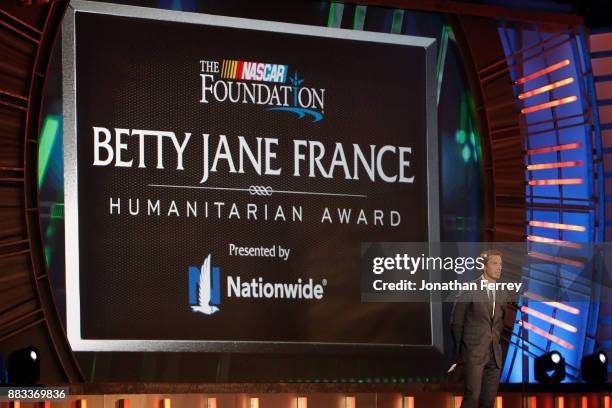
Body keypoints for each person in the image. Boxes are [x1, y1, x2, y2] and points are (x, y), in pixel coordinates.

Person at [450, 250, 508, 408]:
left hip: (494, 355)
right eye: (495, 263)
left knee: (488, 401)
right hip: (474, 352)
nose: (499, 268)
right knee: (472, 396)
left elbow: (500, 323)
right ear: (484, 266)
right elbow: (456, 322)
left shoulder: (502, 293)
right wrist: (461, 350)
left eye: (500, 264)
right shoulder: (469, 289)